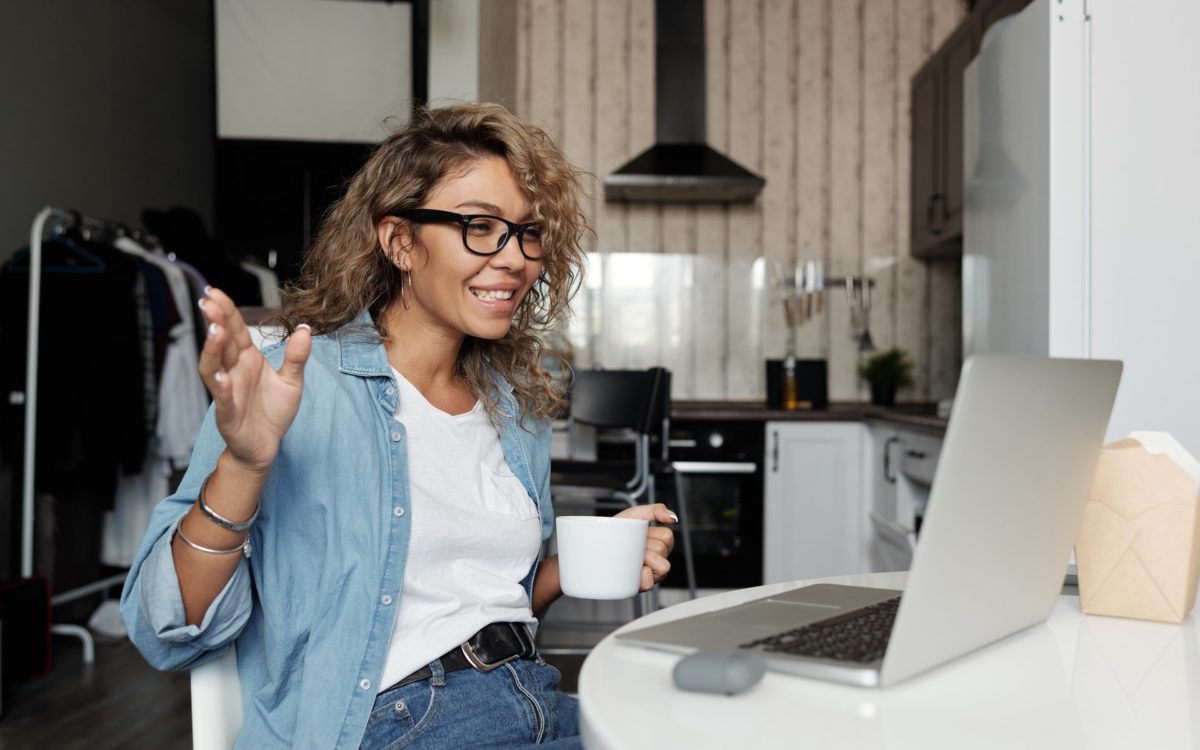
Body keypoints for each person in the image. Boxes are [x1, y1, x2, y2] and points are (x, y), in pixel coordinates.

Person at [120, 102, 677, 749]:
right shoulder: (290, 387)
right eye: (480, 226)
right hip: (394, 724)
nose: (516, 258)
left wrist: (574, 566)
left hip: (533, 699)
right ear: (400, 241)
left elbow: (484, 600)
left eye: (527, 232)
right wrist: (243, 467)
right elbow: (164, 627)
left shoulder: (513, 407)